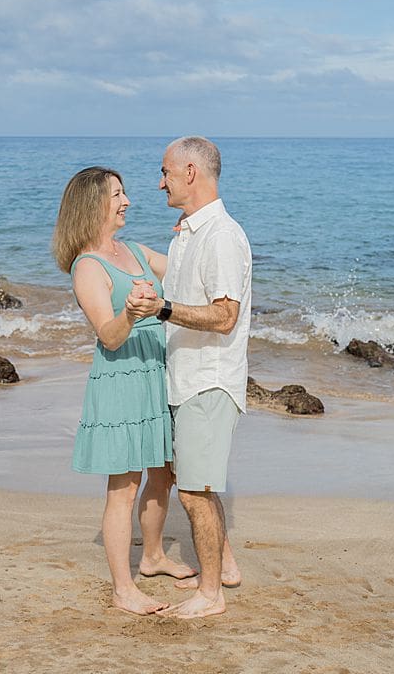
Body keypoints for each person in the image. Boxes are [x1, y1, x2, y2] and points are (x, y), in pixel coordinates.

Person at [51, 166, 195, 615]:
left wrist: (191, 233)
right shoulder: (87, 267)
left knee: (163, 473)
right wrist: (131, 314)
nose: (127, 201)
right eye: (117, 194)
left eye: (124, 192)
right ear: (93, 204)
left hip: (155, 373)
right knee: (124, 486)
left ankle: (152, 556)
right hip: (122, 380)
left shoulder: (134, 250)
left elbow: (187, 271)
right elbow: (109, 337)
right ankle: (123, 590)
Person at [127, 135, 251, 620]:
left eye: (165, 172)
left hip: (209, 381)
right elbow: (179, 286)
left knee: (195, 491)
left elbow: (224, 316)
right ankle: (224, 570)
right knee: (196, 483)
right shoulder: (189, 233)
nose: (161, 183)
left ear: (190, 173)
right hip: (185, 378)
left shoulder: (221, 236)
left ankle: (210, 595)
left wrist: (163, 309)